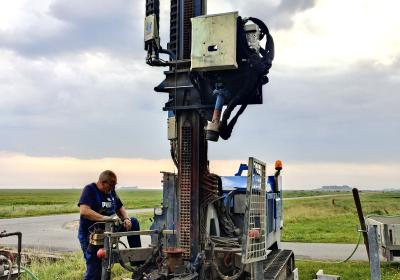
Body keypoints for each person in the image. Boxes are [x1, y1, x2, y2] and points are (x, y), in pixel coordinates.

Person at [77, 170, 141, 280]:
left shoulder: (111, 192)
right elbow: (84, 211)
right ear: (102, 182)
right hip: (92, 234)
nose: (113, 189)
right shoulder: (90, 190)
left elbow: (120, 208)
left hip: (109, 229)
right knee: (95, 270)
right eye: (111, 186)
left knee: (133, 222)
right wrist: (104, 218)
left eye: (114, 186)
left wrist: (126, 218)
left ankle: (137, 260)